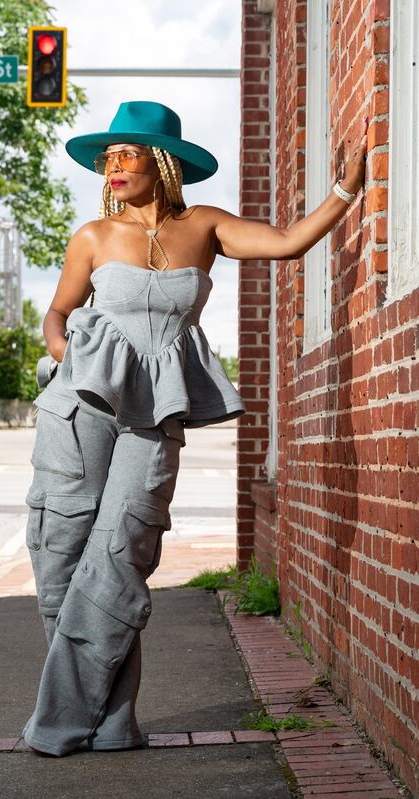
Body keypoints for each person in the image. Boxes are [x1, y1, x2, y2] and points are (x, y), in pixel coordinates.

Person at [20, 100, 368, 757]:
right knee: (62, 550)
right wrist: (72, 360)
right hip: (81, 408)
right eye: (109, 156)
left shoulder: (203, 226)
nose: (114, 165)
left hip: (154, 416)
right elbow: (58, 315)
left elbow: (287, 242)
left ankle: (68, 720)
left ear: (163, 163)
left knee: (121, 556)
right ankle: (111, 720)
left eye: (129, 154)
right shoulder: (92, 236)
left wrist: (346, 191)